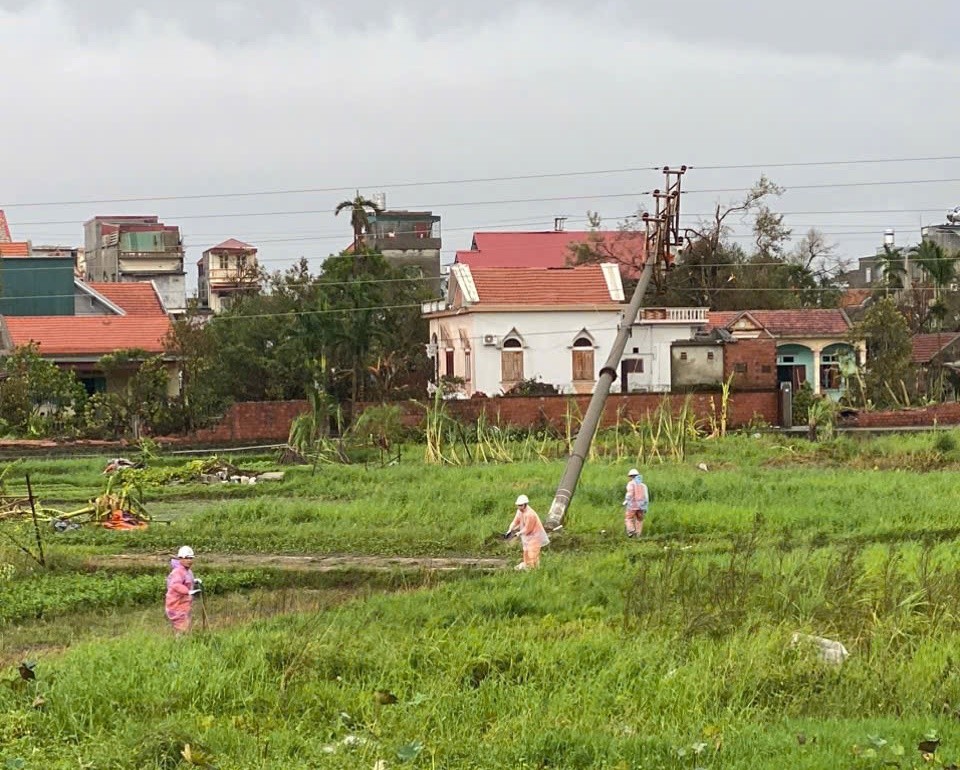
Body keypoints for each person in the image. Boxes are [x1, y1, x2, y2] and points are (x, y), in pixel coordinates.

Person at [504, 494, 549, 570]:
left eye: (521, 505)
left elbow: (528, 528)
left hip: (535, 536)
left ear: (525, 504)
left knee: (532, 553)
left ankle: (533, 569)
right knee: (526, 551)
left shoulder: (530, 514)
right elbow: (515, 521)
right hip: (527, 537)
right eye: (518, 505)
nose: (519, 507)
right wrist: (510, 529)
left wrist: (519, 533)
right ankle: (526, 565)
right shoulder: (519, 511)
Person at [165, 545, 202, 635]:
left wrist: (195, 581)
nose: (189, 561)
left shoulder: (187, 571)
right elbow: (176, 585)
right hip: (176, 605)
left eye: (191, 558)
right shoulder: (178, 571)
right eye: (186, 558)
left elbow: (187, 581)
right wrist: (187, 591)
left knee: (185, 626)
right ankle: (180, 646)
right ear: (180, 559)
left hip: (184, 605)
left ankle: (182, 644)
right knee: (182, 628)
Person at [623, 469, 648, 538]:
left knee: (629, 518)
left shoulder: (631, 484)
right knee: (640, 520)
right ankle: (638, 535)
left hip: (632, 506)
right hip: (642, 506)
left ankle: (631, 531)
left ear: (630, 476)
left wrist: (625, 501)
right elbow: (646, 497)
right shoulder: (643, 485)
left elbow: (630, 494)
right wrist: (646, 507)